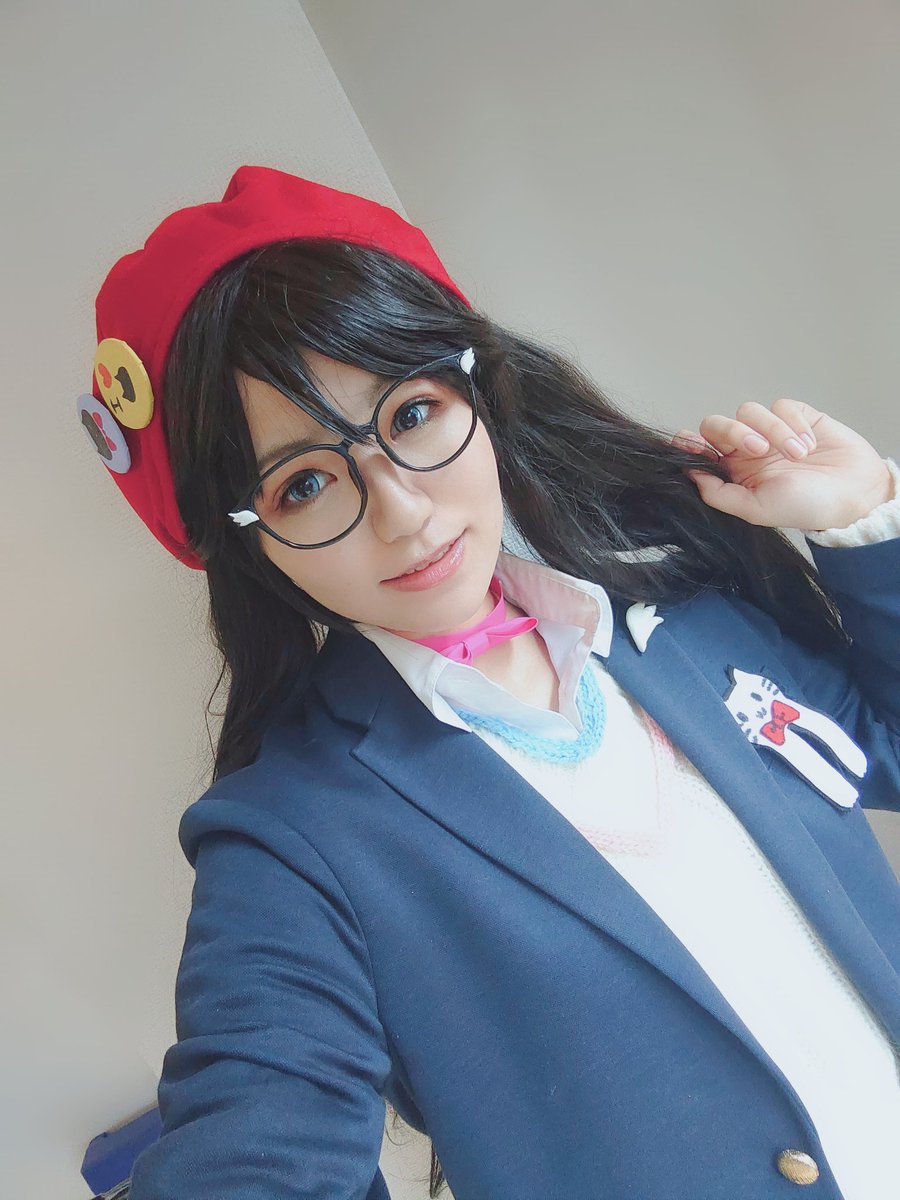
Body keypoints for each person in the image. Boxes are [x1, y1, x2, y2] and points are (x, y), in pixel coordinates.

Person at [79, 165, 900, 1200]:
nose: (404, 511)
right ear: (254, 548)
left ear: (477, 388)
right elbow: (259, 1140)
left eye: (412, 414)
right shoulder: (289, 841)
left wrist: (867, 522)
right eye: (305, 483)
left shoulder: (679, 609)